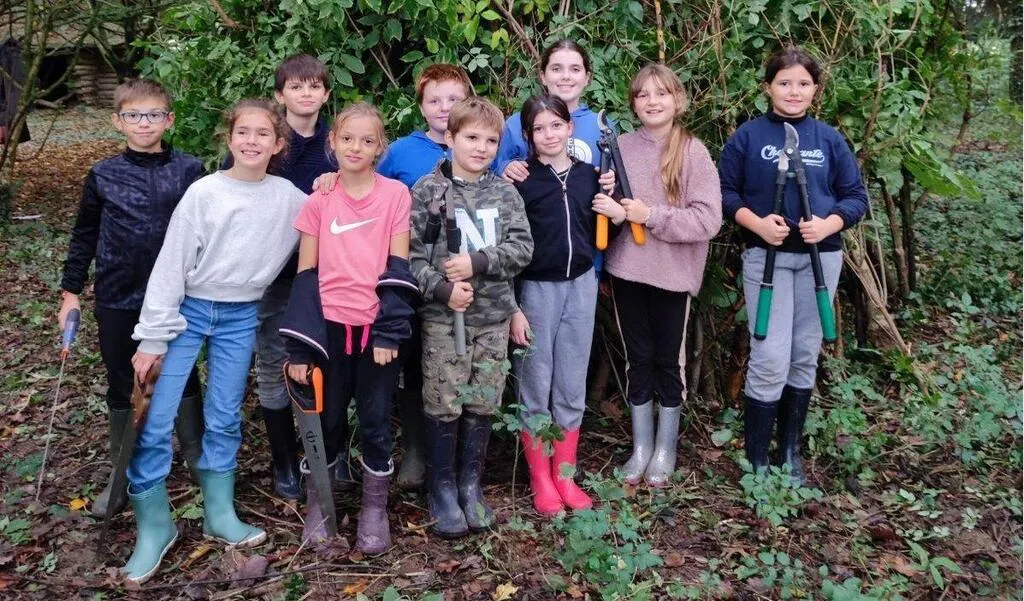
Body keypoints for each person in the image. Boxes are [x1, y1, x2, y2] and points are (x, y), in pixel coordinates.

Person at [122, 99, 306, 584]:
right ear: (229, 139)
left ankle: (219, 513)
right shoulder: (205, 192)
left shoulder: (290, 198)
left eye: (262, 134)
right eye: (242, 132)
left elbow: (328, 220)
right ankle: (155, 526)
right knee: (157, 417)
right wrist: (153, 337)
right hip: (188, 310)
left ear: (278, 144)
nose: (251, 141)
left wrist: (332, 185)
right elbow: (171, 264)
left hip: (242, 314)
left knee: (224, 414)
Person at [719, 47, 867, 484]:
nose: (793, 91)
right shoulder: (747, 137)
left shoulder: (829, 139)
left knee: (804, 354)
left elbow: (856, 196)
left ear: (815, 90)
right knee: (769, 356)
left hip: (821, 261)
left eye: (803, 83)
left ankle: (789, 452)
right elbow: (726, 194)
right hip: (766, 260)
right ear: (768, 87)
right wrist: (757, 225)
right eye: (784, 83)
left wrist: (830, 224)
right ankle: (757, 458)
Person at [57, 78, 204, 519]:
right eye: (135, 116)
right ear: (118, 121)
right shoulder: (102, 175)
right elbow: (84, 235)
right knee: (124, 381)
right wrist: (70, 292)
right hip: (119, 295)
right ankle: (122, 475)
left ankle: (196, 460)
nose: (145, 123)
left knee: (182, 375)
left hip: (178, 295)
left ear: (169, 119)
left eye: (154, 114)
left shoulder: (191, 171)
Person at [285, 102, 417, 554]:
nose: (356, 147)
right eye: (347, 138)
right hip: (328, 328)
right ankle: (321, 502)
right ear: (333, 143)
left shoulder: (396, 196)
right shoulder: (319, 198)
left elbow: (398, 264)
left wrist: (389, 330)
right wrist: (302, 347)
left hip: (376, 331)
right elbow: (306, 273)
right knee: (328, 418)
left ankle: (374, 509)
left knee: (378, 419)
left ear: (380, 146)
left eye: (367, 140)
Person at [409, 97, 534, 538]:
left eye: (490, 140)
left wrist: (478, 262)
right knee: (445, 399)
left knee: (483, 400)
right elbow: (410, 258)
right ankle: (441, 488)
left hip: (494, 318)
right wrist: (443, 288)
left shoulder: (504, 192)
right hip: (445, 320)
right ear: (450, 138)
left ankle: (469, 484)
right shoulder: (429, 191)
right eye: (471, 137)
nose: (481, 147)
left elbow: (522, 248)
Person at [222, 54, 340, 501]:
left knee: (323, 366)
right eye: (296, 86)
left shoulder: (336, 141)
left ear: (326, 94)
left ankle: (326, 455)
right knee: (273, 366)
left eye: (314, 86)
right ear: (280, 94)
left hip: (324, 274)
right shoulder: (264, 140)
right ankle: (284, 461)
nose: (305, 93)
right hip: (270, 275)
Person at [605, 64, 722, 487]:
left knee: (667, 361)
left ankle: (666, 449)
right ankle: (641, 447)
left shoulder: (692, 151)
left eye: (661, 94)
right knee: (638, 359)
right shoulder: (619, 146)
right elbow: (609, 206)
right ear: (633, 103)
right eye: (642, 95)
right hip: (627, 270)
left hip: (673, 275)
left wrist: (649, 215)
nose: (652, 102)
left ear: (678, 100)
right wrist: (614, 209)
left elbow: (708, 220)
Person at [509, 94, 626, 515]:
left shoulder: (590, 176)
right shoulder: (520, 182)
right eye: (539, 129)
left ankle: (565, 474)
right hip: (536, 289)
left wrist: (615, 216)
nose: (548, 134)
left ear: (570, 128)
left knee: (572, 381)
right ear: (527, 136)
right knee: (535, 381)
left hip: (581, 285)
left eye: (556, 125)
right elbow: (507, 249)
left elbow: (602, 233)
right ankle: (540, 478)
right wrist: (512, 307)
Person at [376, 63, 473, 490]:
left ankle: (462, 459)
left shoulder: (482, 143)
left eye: (454, 99)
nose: (444, 107)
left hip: (471, 279)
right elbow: (370, 194)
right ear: (420, 105)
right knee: (415, 364)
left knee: (465, 362)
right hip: (416, 278)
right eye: (434, 99)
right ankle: (416, 448)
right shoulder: (401, 152)